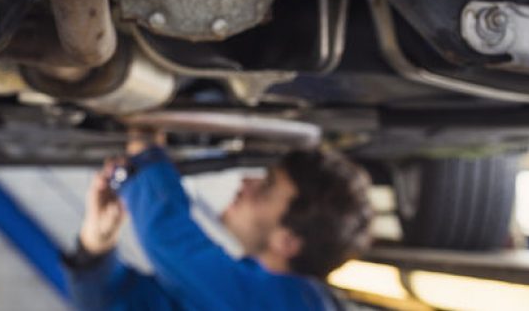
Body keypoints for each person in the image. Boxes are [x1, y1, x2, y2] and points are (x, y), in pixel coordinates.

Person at [64, 129, 372, 310]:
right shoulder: (227, 295)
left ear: (287, 242)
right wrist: (97, 245)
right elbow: (120, 303)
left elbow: (172, 243)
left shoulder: (300, 305)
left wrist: (144, 157)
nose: (247, 183)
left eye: (266, 189)